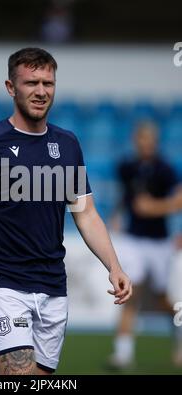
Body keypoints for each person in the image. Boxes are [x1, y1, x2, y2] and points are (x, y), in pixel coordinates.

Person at [0, 47, 132, 375]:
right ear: (10, 87)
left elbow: (85, 214)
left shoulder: (68, 144)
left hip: (53, 287)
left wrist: (114, 266)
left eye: (48, 83)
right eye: (31, 83)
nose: (41, 91)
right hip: (0, 283)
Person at [108, 122, 180, 369]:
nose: (145, 143)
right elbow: (124, 196)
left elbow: (178, 201)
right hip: (133, 240)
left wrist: (154, 208)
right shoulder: (127, 167)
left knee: (162, 299)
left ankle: (179, 336)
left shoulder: (166, 169)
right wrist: (117, 214)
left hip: (159, 242)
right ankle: (122, 354)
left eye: (149, 139)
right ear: (135, 140)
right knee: (130, 292)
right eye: (141, 138)